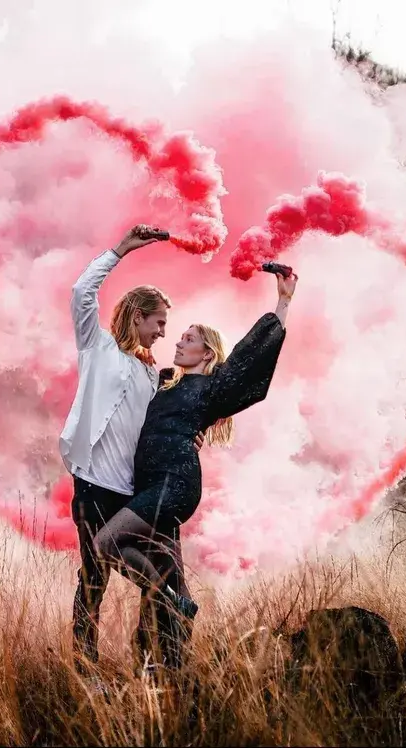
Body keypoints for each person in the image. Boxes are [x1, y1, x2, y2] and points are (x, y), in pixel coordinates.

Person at [91, 269, 297, 645]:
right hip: (150, 484)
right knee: (170, 570)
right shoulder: (163, 380)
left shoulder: (211, 388)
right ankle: (170, 660)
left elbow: (251, 358)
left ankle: (171, 604)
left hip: (175, 484)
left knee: (106, 543)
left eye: (189, 339)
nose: (178, 341)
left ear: (207, 353)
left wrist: (283, 302)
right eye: (179, 336)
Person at [59, 224, 203, 678]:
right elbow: (83, 291)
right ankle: (85, 668)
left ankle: (154, 664)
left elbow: (163, 426)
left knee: (156, 573)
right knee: (93, 579)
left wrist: (188, 437)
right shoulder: (98, 348)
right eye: (159, 322)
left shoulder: (153, 377)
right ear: (138, 316)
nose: (163, 332)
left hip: (135, 495)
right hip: (94, 486)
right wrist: (121, 250)